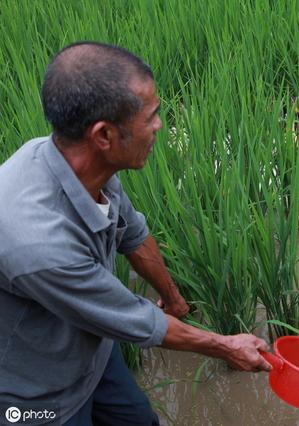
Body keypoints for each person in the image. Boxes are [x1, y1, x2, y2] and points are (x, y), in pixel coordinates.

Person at [0, 42, 272, 426]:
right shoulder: (37, 242)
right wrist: (227, 346)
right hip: (35, 394)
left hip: (90, 352)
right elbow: (138, 320)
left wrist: (173, 298)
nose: (160, 125)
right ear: (104, 135)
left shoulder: (86, 166)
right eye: (152, 116)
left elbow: (132, 234)